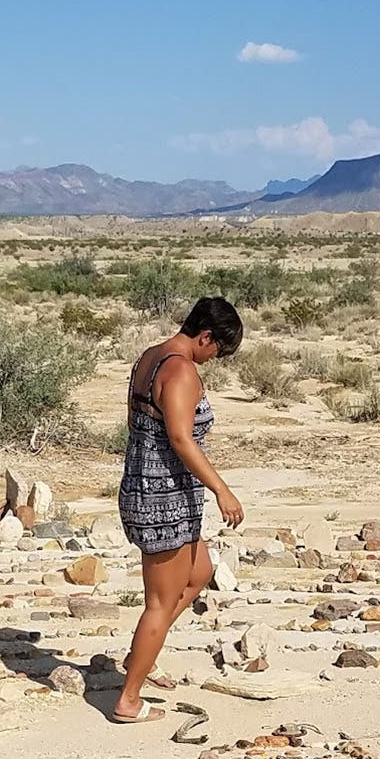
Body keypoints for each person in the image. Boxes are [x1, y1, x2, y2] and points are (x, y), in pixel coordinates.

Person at [109, 295, 243, 723]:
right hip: (162, 496)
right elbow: (182, 439)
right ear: (205, 336)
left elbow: (138, 424)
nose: (213, 359)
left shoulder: (150, 356)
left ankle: (142, 657)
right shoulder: (182, 370)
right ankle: (129, 699)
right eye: (217, 351)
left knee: (199, 571)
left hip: (154, 486)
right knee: (160, 602)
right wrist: (222, 490)